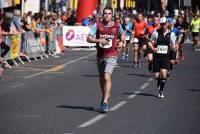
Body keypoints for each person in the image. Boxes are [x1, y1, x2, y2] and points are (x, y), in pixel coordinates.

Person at [87, 7, 125, 113]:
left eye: (109, 13)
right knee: (101, 78)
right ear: (102, 14)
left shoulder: (117, 25)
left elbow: (122, 33)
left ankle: (105, 102)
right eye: (105, 13)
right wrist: (99, 39)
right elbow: (88, 38)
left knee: (106, 76)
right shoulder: (97, 25)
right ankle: (105, 96)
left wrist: (121, 42)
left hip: (112, 55)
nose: (107, 15)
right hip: (100, 55)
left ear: (111, 15)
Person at [148, 17, 177, 98]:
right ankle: (159, 81)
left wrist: (174, 49)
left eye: (164, 24)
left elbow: (174, 45)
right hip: (157, 57)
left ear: (167, 24)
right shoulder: (156, 33)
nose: (163, 26)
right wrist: (153, 48)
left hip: (165, 57)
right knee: (156, 76)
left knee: (164, 75)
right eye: (162, 24)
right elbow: (149, 42)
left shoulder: (171, 34)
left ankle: (161, 91)